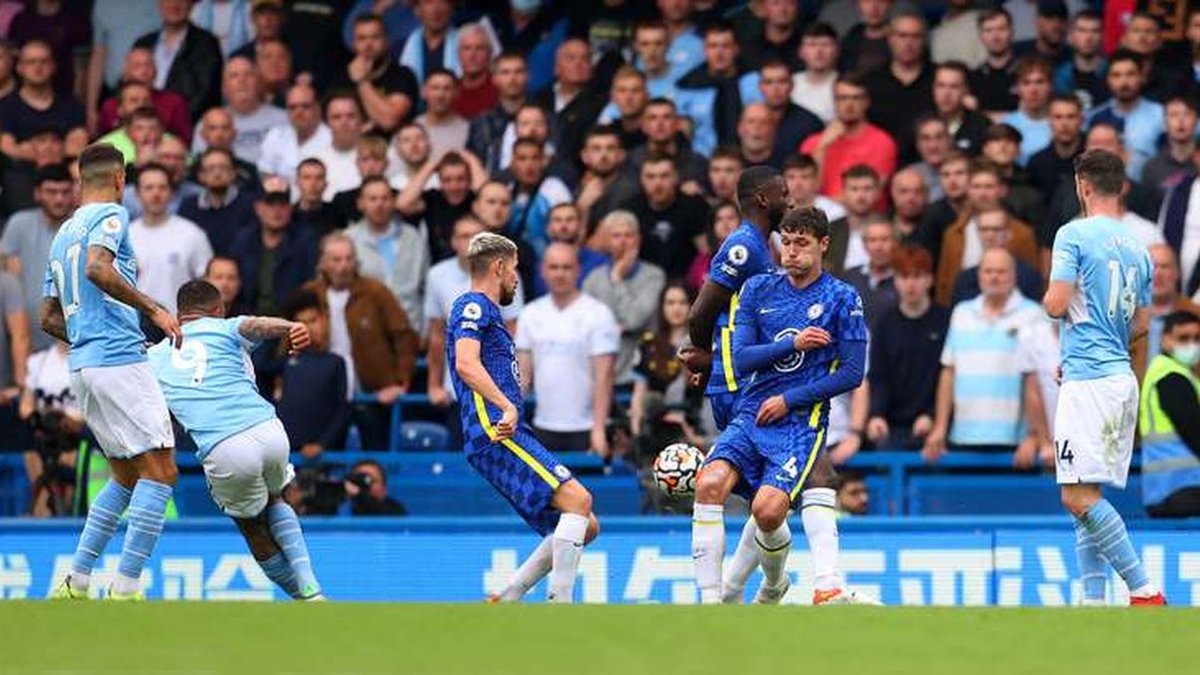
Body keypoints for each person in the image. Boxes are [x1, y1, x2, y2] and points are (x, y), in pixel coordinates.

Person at [680, 170, 865, 606]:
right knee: (709, 483)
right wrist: (791, 343)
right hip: (750, 411)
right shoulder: (758, 288)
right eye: (787, 242)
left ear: (823, 245)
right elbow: (741, 358)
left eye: (802, 243)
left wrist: (789, 399)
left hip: (800, 419)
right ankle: (711, 601)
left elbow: (852, 373)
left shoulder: (843, 298)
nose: (792, 251)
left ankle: (776, 585)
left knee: (767, 511)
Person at [45, 143, 182, 601]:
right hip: (118, 359)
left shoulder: (62, 233)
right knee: (161, 471)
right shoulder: (112, 215)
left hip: (83, 366)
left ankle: (77, 580)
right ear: (120, 180)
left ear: (80, 179)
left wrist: (86, 336)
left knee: (125, 475)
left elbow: (47, 316)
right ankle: (126, 586)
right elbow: (98, 269)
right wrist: (154, 310)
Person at [146, 279, 323, 600]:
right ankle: (308, 580)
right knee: (276, 498)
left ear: (179, 314)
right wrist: (291, 326)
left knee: (251, 526)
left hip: (225, 445)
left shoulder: (155, 356)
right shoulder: (226, 328)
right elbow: (257, 325)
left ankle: (307, 596)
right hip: (268, 429)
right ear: (219, 310)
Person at [449, 232, 600, 603]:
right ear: (499, 266)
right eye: (515, 269)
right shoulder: (473, 305)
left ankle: (506, 597)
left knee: (585, 525)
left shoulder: (489, 313)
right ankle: (560, 605)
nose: (517, 279)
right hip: (495, 430)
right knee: (579, 500)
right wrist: (507, 404)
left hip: (504, 429)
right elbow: (466, 363)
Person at [1042, 149, 1165, 605]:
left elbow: (1056, 304)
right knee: (1086, 494)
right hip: (1118, 377)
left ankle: (1144, 590)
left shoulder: (1072, 234)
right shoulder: (1140, 249)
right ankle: (1094, 602)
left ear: (1083, 186)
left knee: (1076, 497)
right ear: (1121, 187)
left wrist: (1060, 312)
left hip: (1090, 381)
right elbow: (1143, 323)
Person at [303, 234, 419, 451]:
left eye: (349, 259)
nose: (344, 266)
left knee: (375, 451)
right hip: (325, 389)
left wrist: (400, 382)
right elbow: (292, 338)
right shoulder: (310, 294)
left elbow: (403, 336)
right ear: (323, 263)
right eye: (337, 260)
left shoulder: (375, 291)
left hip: (373, 389)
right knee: (324, 454)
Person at [516, 244, 619, 455]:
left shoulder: (599, 314)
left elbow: (604, 377)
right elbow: (522, 377)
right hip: (543, 426)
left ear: (578, 270)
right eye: (553, 267)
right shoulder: (530, 314)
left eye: (566, 267)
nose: (560, 274)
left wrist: (598, 429)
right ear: (543, 271)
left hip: (587, 428)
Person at [867, 245, 947, 451]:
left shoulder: (945, 320)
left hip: (937, 425)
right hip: (892, 426)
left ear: (930, 279)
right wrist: (877, 414)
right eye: (903, 277)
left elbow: (948, 377)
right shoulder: (885, 323)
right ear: (895, 280)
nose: (910, 284)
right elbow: (878, 375)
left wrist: (931, 415)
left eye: (917, 276)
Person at [582, 210, 666, 386]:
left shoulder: (654, 276)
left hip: (641, 373)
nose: (622, 241)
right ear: (607, 242)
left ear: (638, 239)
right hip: (598, 371)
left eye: (628, 235)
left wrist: (618, 280)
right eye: (616, 236)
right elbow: (587, 327)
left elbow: (633, 320)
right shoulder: (593, 279)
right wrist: (616, 327)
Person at [1, 163, 74, 353]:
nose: (59, 199)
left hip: (74, 340)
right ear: (37, 193)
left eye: (65, 192)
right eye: (51, 192)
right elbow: (10, 280)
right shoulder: (19, 224)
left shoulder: (82, 226)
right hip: (27, 339)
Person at [1138, 310, 1200, 517]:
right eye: (1183, 338)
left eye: (1197, 338)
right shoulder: (1171, 378)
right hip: (1181, 488)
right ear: (1165, 340)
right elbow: (1195, 434)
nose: (1192, 344)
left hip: (1166, 489)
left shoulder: (1167, 372)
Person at [129, 163, 213, 314]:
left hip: (180, 323)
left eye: (162, 187)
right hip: (134, 324)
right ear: (137, 193)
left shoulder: (192, 234)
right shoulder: (125, 236)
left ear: (172, 193)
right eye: (149, 188)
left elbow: (207, 284)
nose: (156, 193)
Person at [276, 289, 350, 460]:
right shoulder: (285, 362)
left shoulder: (335, 362)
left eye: (313, 320)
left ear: (324, 320)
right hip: (284, 449)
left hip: (318, 452)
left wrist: (322, 444)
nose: (309, 328)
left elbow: (342, 410)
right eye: (302, 323)